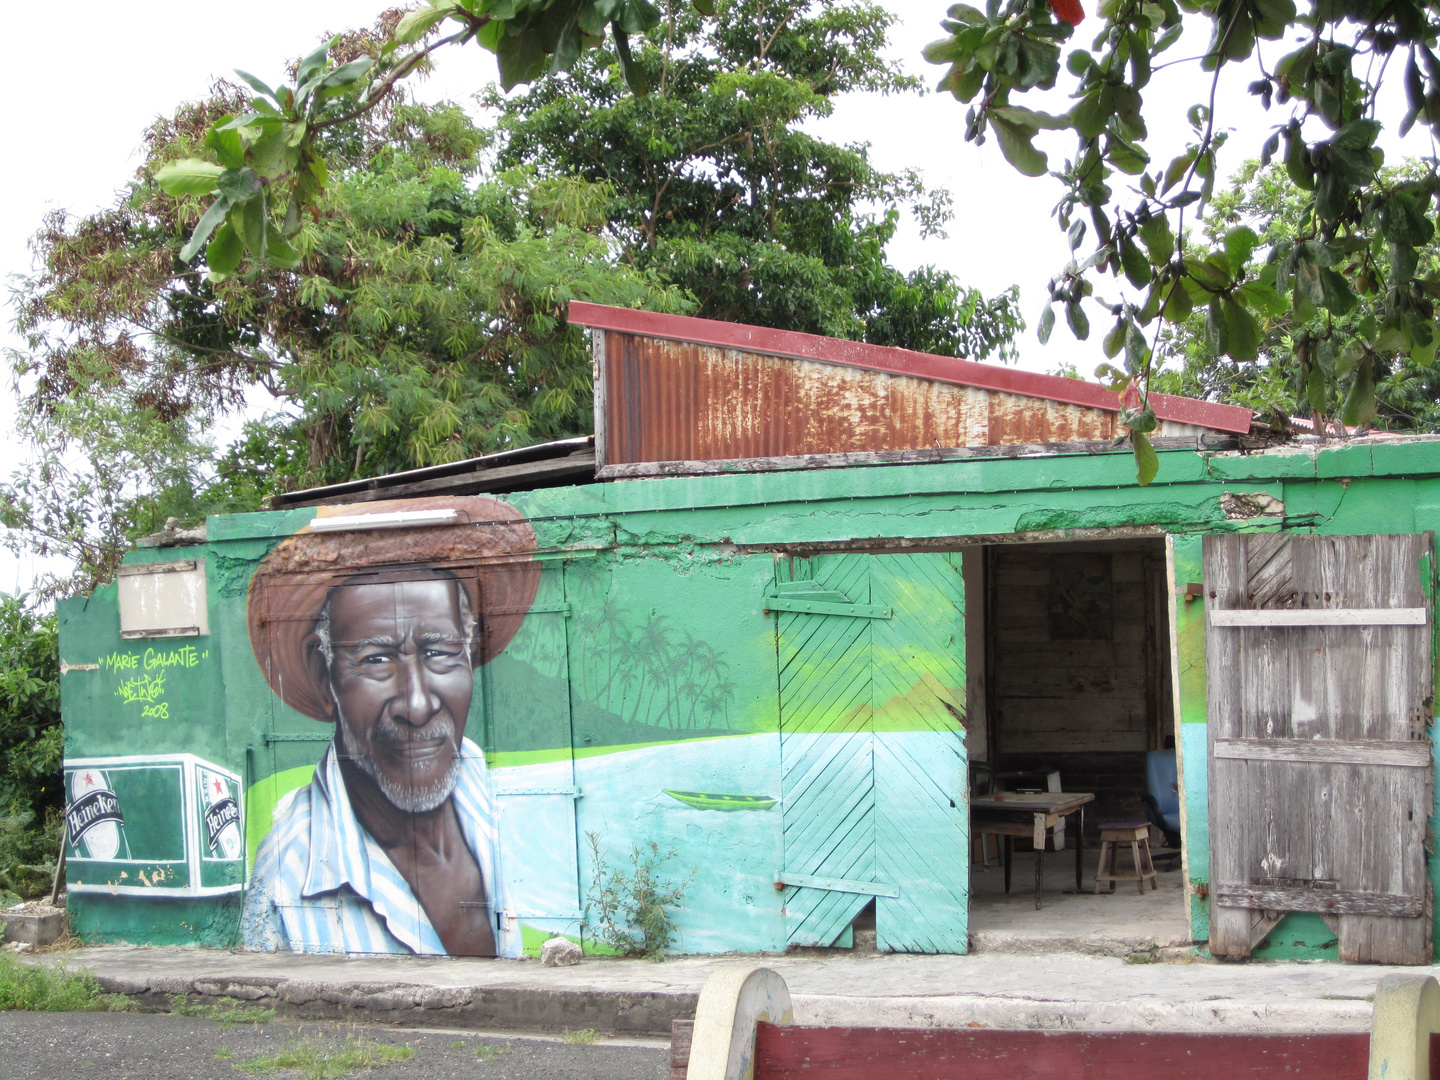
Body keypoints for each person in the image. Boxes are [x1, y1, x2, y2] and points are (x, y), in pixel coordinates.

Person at [241, 497, 539, 957]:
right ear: (326, 680)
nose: (417, 706)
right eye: (376, 660)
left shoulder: (487, 788)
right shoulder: (290, 875)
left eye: (439, 652)